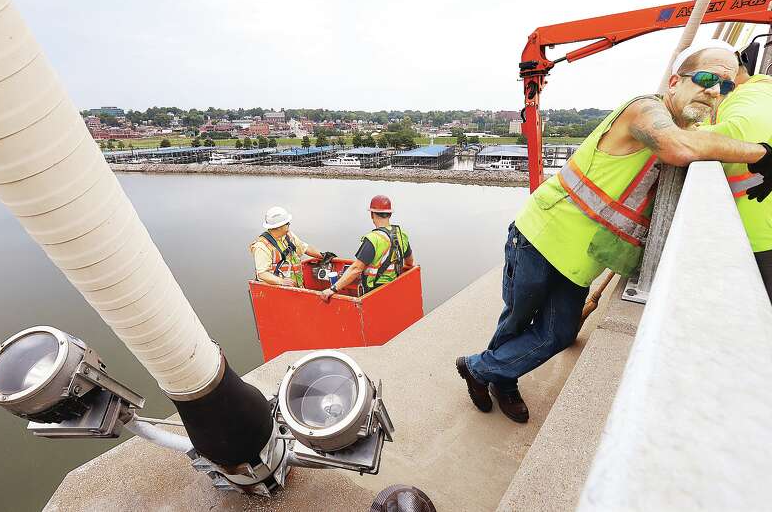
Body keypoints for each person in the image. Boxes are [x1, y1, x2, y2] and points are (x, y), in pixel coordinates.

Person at [456, 39, 772, 424]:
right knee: (517, 320)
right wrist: (762, 153)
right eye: (705, 78)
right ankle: (503, 379)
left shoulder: (694, 130)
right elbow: (675, 146)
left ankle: (480, 369)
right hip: (541, 236)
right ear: (675, 81)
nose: (713, 90)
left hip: (582, 259)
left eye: (724, 85)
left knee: (558, 332)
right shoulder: (645, 110)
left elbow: (692, 145)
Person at [698, 46, 772, 299]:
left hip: (760, 237)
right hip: (750, 231)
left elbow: (739, 132)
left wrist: (684, 134)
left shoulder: (753, 93)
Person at [320, 195, 413, 302]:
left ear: (371, 214)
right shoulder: (401, 235)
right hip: (393, 289)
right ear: (390, 214)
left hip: (374, 293)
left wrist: (333, 289)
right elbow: (409, 263)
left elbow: (356, 269)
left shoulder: (373, 239)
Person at [250, 206, 323, 287]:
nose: (289, 225)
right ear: (279, 227)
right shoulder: (262, 246)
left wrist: (323, 256)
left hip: (296, 287)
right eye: (287, 224)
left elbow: (304, 248)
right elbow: (262, 273)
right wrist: (281, 281)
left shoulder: (288, 235)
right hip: (278, 291)